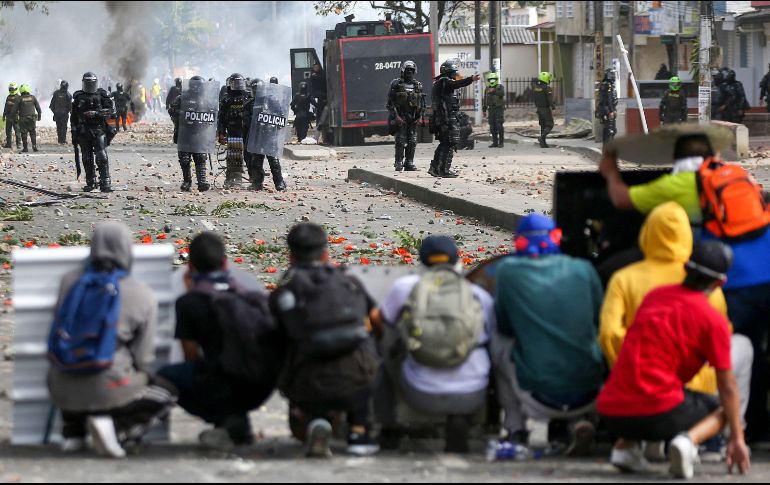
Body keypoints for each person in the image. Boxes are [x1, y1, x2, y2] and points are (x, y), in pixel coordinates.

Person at [600, 132, 770, 443]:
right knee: (755, 351)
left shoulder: (679, 183)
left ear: (677, 159)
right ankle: (757, 423)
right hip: (765, 272)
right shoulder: (738, 176)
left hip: (734, 279)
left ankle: (711, 428)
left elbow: (622, 199)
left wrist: (610, 170)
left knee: (720, 353)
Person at [599, 202, 753, 457]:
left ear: (647, 232)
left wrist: (629, 368)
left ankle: (629, 446)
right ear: (718, 282)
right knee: (741, 351)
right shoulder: (709, 300)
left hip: (625, 388)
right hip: (683, 391)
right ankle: (709, 439)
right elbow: (721, 353)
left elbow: (608, 334)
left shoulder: (627, 279)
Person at [47, 221, 177, 458]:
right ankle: (115, 430)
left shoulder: (69, 282)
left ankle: (73, 432)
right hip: (109, 385)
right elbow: (143, 356)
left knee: (76, 360)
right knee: (166, 392)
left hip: (60, 384)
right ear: (127, 249)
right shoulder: (141, 293)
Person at [492, 214, 605, 455]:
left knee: (499, 341)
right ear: (556, 238)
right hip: (591, 391)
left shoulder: (508, 271)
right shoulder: (583, 269)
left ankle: (515, 426)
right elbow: (599, 320)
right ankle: (583, 419)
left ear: (519, 242)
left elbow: (504, 325)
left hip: (535, 394)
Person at [371, 235, 494, 453]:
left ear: (422, 262)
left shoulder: (405, 287)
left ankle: (388, 425)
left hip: (420, 391)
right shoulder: (476, 294)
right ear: (458, 262)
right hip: (472, 393)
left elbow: (378, 320)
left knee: (384, 345)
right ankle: (490, 422)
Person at [157, 232, 279, 451]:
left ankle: (225, 420)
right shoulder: (249, 291)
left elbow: (190, 356)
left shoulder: (190, 302)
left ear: (190, 267)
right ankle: (235, 421)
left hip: (222, 387)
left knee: (167, 377)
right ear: (225, 263)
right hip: (262, 386)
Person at [269, 223, 380, 457]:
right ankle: (359, 431)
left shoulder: (285, 291)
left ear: (290, 256)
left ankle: (313, 419)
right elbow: (377, 319)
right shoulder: (350, 283)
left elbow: (273, 337)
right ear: (326, 254)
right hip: (357, 379)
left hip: (304, 381)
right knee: (366, 341)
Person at [429, 60, 480, 178]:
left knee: (445, 143)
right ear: (448, 72)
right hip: (445, 118)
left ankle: (435, 168)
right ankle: (444, 169)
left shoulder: (440, 83)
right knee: (449, 143)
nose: (454, 75)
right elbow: (457, 84)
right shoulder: (444, 81)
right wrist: (471, 79)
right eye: (453, 72)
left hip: (443, 117)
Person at [71, 72, 117, 192]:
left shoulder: (102, 95)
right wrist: (74, 132)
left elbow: (111, 112)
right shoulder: (78, 97)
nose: (90, 86)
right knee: (86, 157)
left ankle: (105, 182)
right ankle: (90, 182)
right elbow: (74, 116)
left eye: (91, 83)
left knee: (102, 156)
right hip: (84, 130)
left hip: (98, 129)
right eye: (87, 83)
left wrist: (97, 113)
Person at [242, 77, 287, 191]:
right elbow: (246, 120)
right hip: (257, 137)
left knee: (274, 162)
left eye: (258, 88)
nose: (257, 90)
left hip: (269, 136)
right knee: (255, 162)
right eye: (255, 88)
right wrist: (256, 121)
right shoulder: (249, 104)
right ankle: (257, 183)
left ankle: (279, 183)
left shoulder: (272, 101)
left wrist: (272, 123)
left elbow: (281, 116)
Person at [167, 76, 211, 192]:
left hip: (199, 133)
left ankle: (202, 182)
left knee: (200, 158)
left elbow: (211, 116)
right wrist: (180, 116)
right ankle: (187, 181)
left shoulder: (205, 100)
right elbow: (171, 110)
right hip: (184, 132)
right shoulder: (182, 98)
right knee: (185, 159)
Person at [387, 60, 425, 171]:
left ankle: (409, 162)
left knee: (412, 141)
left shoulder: (418, 85)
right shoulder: (396, 84)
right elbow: (390, 103)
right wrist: (396, 116)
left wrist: (420, 116)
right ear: (403, 71)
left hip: (413, 118)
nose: (409, 72)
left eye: (411, 70)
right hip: (401, 117)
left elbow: (423, 103)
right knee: (400, 140)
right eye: (407, 70)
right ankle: (398, 162)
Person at [218, 73, 250, 188]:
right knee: (233, 156)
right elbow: (221, 118)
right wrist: (221, 133)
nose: (237, 86)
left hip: (245, 131)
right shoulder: (226, 100)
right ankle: (232, 178)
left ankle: (252, 179)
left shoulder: (248, 98)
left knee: (247, 156)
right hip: (233, 130)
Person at [11, 83, 42, 152]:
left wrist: (13, 118)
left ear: (21, 90)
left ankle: (25, 148)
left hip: (23, 119)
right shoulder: (33, 97)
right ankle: (34, 146)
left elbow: (14, 110)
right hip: (32, 118)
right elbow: (38, 109)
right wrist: (39, 117)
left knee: (24, 133)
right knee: (32, 132)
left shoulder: (19, 99)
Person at [482, 72, 505, 148]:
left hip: (498, 108)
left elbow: (502, 93)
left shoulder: (500, 87)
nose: (492, 81)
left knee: (499, 125)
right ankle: (495, 142)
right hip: (491, 109)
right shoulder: (487, 88)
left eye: (493, 80)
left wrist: (494, 91)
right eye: (490, 80)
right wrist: (484, 110)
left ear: (496, 80)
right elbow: (485, 99)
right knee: (492, 126)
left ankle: (501, 142)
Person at [534, 72, 556, 148]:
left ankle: (543, 143)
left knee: (543, 126)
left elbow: (535, 99)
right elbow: (550, 99)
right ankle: (542, 138)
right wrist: (553, 107)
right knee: (550, 124)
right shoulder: (547, 88)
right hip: (545, 109)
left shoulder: (536, 88)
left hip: (539, 109)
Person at [49, 80, 72, 145]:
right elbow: (70, 106)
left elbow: (51, 105)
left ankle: (60, 140)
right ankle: (63, 140)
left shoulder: (56, 93)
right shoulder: (68, 94)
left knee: (59, 127)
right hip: (64, 114)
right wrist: (70, 112)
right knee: (63, 127)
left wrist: (55, 112)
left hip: (57, 113)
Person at [598, 69, 618, 143]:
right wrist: (612, 110)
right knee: (611, 130)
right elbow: (609, 99)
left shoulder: (603, 84)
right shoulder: (608, 86)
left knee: (606, 129)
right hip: (608, 110)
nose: (614, 77)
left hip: (603, 109)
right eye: (612, 75)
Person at [3, 82, 22, 149]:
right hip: (8, 117)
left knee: (17, 131)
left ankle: (18, 144)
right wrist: (3, 115)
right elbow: (5, 106)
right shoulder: (8, 97)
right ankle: (8, 144)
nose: (11, 90)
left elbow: (21, 108)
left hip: (15, 117)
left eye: (12, 89)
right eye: (10, 89)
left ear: (16, 89)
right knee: (8, 131)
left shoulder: (19, 97)